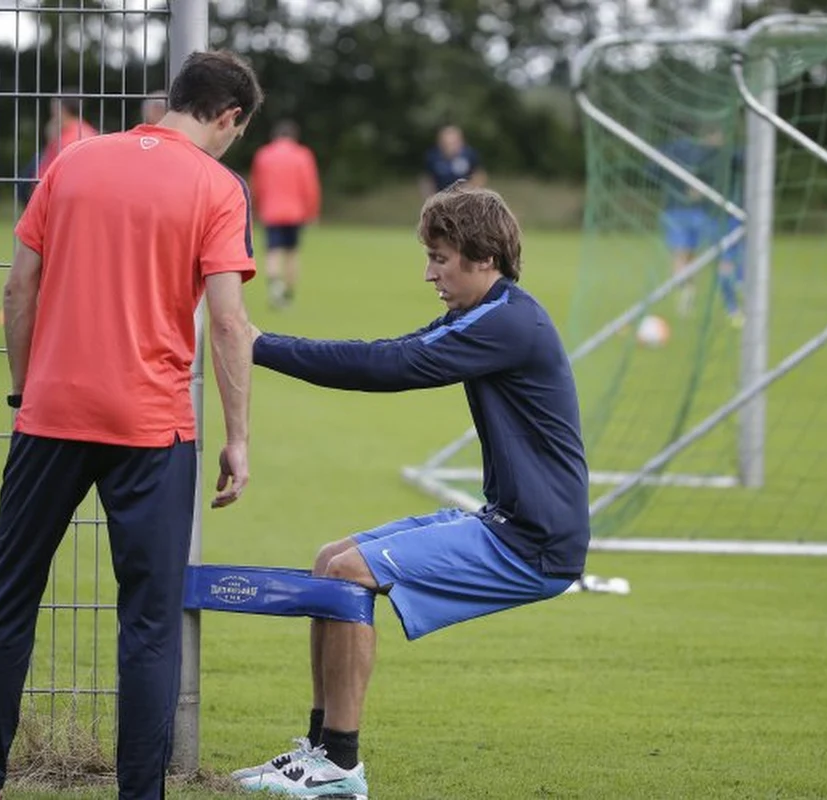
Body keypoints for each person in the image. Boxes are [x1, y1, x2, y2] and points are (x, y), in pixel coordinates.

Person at [0, 50, 264, 800]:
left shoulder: (73, 160)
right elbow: (228, 325)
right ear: (228, 117)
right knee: (150, 623)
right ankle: (139, 793)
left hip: (49, 415)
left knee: (9, 599)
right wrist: (239, 436)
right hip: (152, 429)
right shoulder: (219, 188)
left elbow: (17, 284)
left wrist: (26, 389)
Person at [234, 185, 590, 799]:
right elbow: (395, 353)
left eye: (440, 258)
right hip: (505, 521)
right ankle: (318, 753)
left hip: (534, 541)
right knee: (330, 563)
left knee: (348, 573)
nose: (429, 273)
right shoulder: (485, 313)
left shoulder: (508, 322)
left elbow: (392, 368)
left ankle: (340, 766)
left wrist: (260, 346)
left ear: (483, 257)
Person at [654, 127, 743, 323]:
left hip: (680, 211)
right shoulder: (708, 153)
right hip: (694, 212)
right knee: (698, 255)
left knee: (683, 255)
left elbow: (653, 172)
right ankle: (725, 297)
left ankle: (686, 290)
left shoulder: (669, 150)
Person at [250, 119, 321, 308]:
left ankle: (275, 288)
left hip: (271, 211)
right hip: (295, 212)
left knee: (273, 252)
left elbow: (258, 185)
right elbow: (310, 187)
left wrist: (257, 207)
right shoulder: (303, 155)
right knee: (292, 253)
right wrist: (312, 211)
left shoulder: (264, 154)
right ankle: (288, 294)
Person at [36, 95, 98, 180]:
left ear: (62, 110)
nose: (52, 116)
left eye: (54, 110)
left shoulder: (68, 139)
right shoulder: (86, 131)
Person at [420, 124, 485, 196]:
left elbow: (479, 175)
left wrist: (470, 187)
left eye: (454, 143)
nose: (451, 147)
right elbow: (427, 180)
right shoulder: (432, 157)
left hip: (465, 196)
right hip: (441, 197)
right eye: (447, 143)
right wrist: (431, 197)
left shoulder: (469, 154)